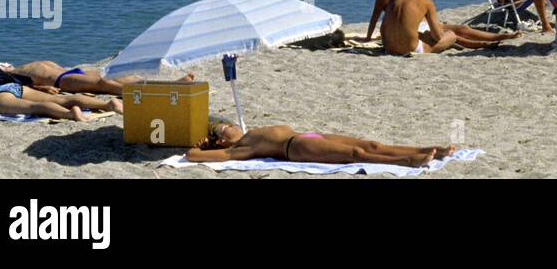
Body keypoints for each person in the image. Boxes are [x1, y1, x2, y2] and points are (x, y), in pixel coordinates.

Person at [188, 119, 453, 167]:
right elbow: (193, 157)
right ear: (222, 139)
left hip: (309, 136)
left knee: (371, 144)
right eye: (226, 127)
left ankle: (424, 149)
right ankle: (406, 161)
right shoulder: (240, 148)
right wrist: (199, 149)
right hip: (296, 147)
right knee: (355, 153)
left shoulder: (248, 133)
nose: (233, 125)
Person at [0, 61, 175, 97]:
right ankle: (157, 89)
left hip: (69, 74)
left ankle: (169, 86)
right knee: (106, 84)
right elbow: (22, 87)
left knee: (115, 78)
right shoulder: (14, 74)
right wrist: (43, 90)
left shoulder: (21, 68)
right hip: (63, 79)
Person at [0, 80, 121, 120]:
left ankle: (71, 114)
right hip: (10, 86)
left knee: (35, 107)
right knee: (60, 98)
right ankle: (107, 104)